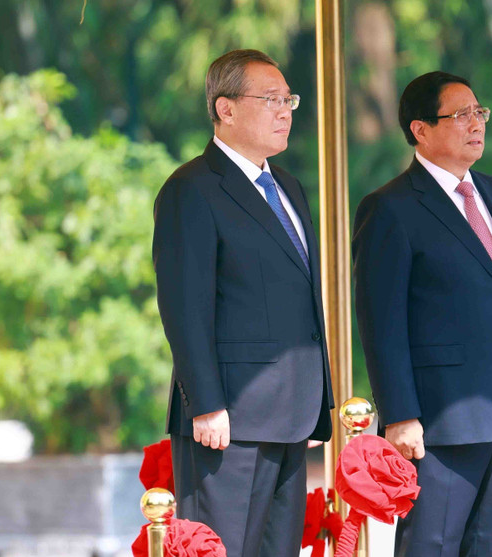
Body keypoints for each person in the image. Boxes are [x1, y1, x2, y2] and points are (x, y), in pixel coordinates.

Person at [352, 71, 492, 556]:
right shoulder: (390, 208)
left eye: (479, 112)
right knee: (433, 544)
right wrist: (401, 415)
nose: (476, 123)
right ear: (420, 130)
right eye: (461, 114)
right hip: (439, 421)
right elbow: (381, 325)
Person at [152, 49, 333, 557]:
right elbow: (184, 307)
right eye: (270, 99)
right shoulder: (191, 189)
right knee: (223, 549)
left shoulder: (290, 188)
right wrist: (205, 403)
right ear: (225, 109)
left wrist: (319, 402)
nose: (285, 111)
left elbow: (303, 305)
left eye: (289, 100)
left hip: (293, 415)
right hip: (228, 420)